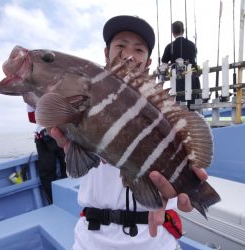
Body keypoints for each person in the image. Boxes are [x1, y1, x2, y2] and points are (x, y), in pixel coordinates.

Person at [50, 15, 208, 250]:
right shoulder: (80, 94)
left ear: (148, 61)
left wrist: (188, 194)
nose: (129, 54)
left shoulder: (164, 111)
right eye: (120, 46)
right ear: (106, 53)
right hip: (92, 241)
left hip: (153, 240)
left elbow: (186, 177)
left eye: (139, 49)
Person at [27, 104, 67, 203]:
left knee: (47, 172)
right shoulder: (58, 91)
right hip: (61, 130)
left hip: (43, 134)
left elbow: (32, 118)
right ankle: (69, 197)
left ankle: (54, 202)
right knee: (67, 166)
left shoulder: (29, 94)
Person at [161, 21, 201, 110]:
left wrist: (163, 74)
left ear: (172, 33)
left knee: (180, 100)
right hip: (192, 74)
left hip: (178, 77)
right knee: (193, 99)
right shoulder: (191, 44)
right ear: (183, 30)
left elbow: (163, 64)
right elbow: (194, 57)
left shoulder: (169, 46)